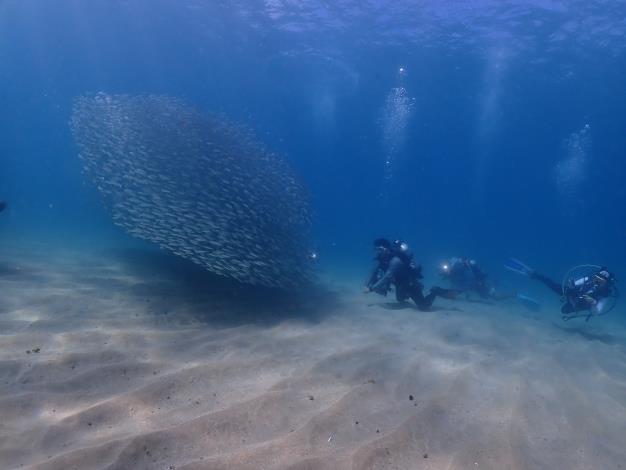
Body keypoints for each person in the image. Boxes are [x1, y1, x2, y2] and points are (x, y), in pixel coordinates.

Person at [364, 238, 458, 310]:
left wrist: (372, 288)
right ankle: (407, 294)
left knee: (423, 306)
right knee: (400, 299)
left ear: (387, 249)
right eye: (376, 249)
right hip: (399, 283)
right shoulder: (381, 259)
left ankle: (435, 291)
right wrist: (366, 285)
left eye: (380, 249)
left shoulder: (396, 260)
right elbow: (373, 272)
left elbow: (387, 276)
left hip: (410, 283)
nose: (378, 252)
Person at [505, 259, 617, 318]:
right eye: (596, 278)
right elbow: (574, 284)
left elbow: (596, 312)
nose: (597, 282)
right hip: (572, 294)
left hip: (579, 305)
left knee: (564, 310)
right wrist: (571, 285)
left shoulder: (605, 294)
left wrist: (593, 303)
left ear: (606, 284)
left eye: (601, 281)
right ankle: (535, 275)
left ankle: (568, 305)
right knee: (551, 284)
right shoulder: (588, 279)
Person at [439, 257, 514, 300]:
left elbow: (469, 278)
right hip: (474, 284)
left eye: (446, 268)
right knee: (487, 295)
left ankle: (512, 294)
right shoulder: (453, 271)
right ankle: (497, 287)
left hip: (477, 283)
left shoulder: (459, 268)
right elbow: (456, 281)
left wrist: (460, 291)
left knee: (492, 296)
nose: (445, 270)